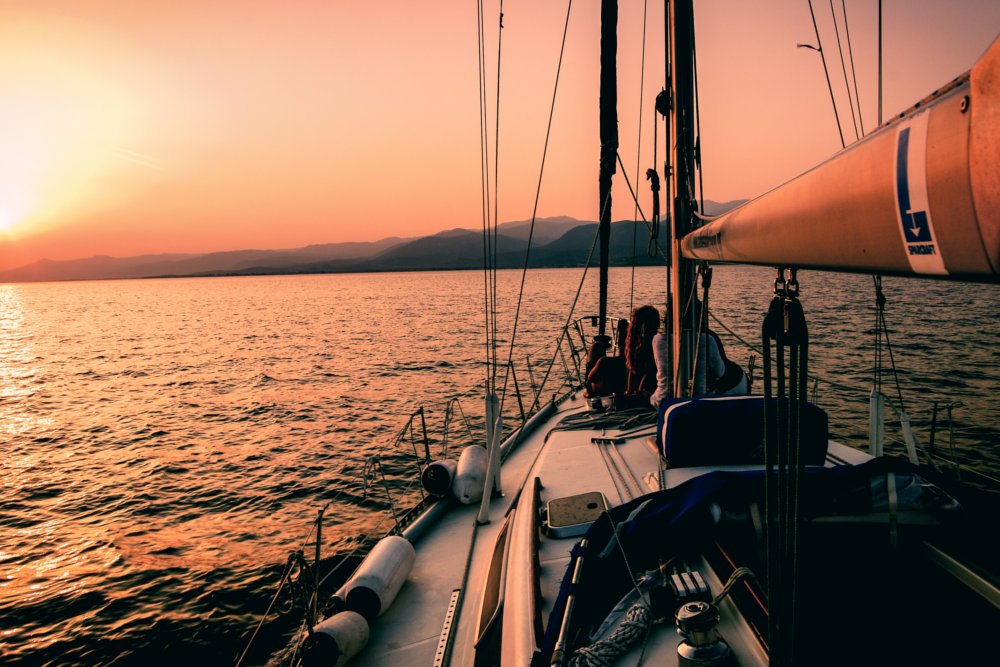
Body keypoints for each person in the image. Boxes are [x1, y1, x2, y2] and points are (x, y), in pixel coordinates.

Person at [621, 305, 660, 406]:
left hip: (646, 385)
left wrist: (631, 392)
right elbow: (647, 370)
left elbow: (634, 369)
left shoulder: (633, 342)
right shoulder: (651, 342)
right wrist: (634, 392)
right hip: (647, 386)